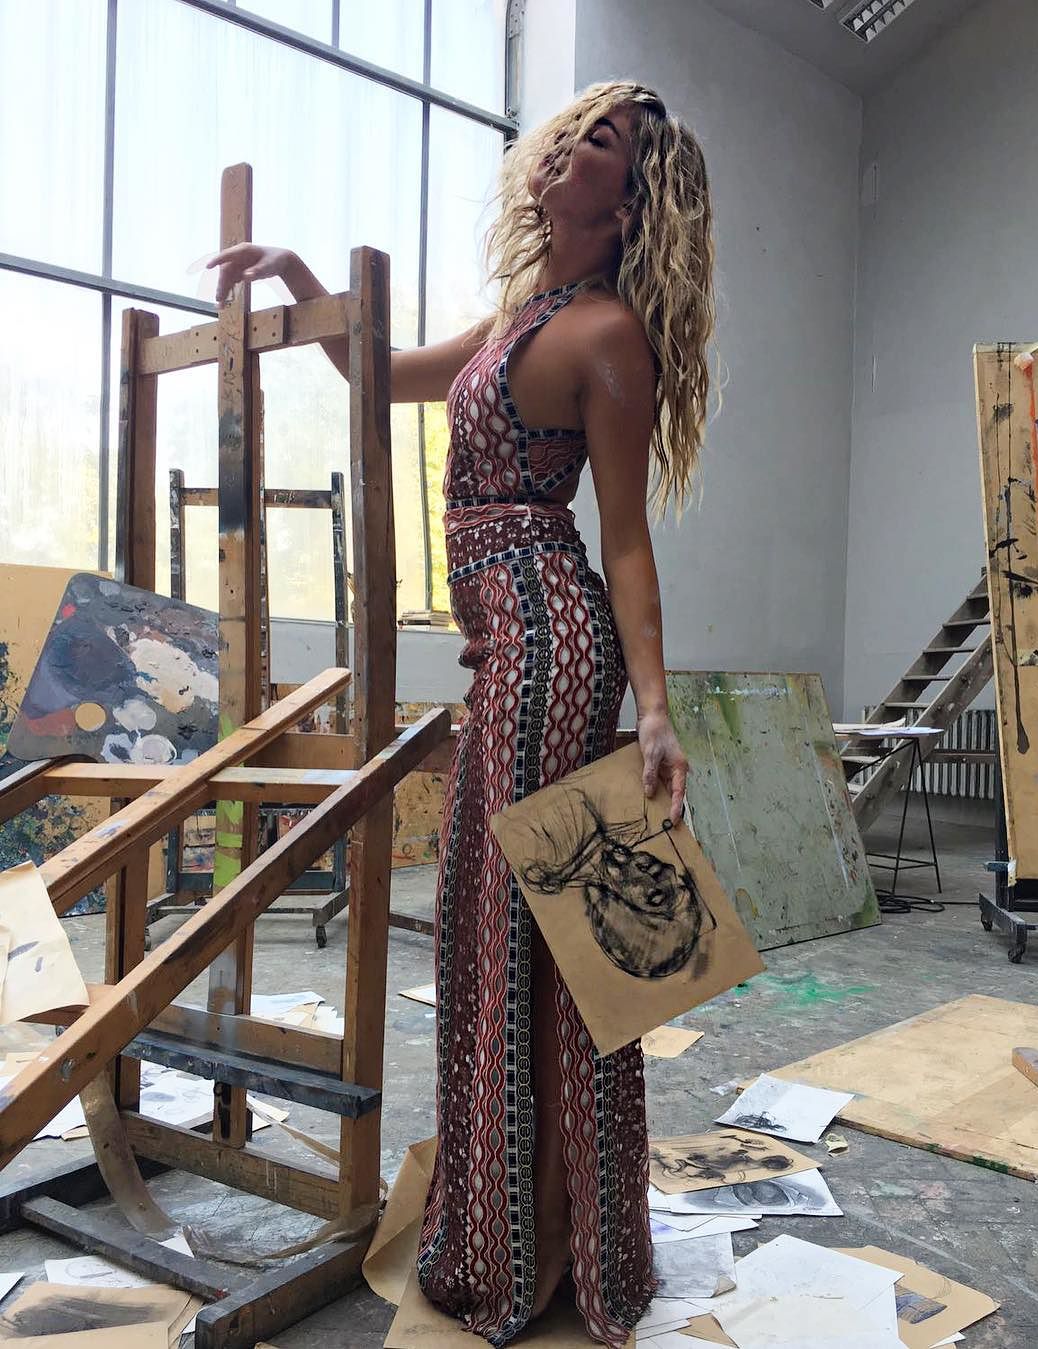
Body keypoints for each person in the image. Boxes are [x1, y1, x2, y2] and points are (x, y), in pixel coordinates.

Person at [208, 78, 716, 1347]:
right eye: (573, 128)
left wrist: (655, 709)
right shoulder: (522, 313)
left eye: (601, 142)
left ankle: (543, 1250)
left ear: (630, 200)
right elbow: (381, 373)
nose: (568, 146)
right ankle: (522, 1231)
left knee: (535, 942)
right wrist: (300, 274)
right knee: (500, 939)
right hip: (507, 650)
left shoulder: (606, 332)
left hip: (551, 645)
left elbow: (626, 540)